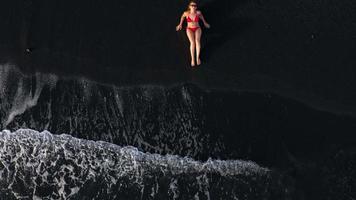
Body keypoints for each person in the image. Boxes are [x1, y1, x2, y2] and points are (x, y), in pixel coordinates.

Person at [176, 1, 210, 67]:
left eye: (195, 5)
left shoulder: (198, 13)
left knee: (197, 41)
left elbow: (202, 18)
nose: (194, 6)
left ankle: (197, 58)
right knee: (192, 42)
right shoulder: (186, 13)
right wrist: (180, 24)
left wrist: (205, 23)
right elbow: (182, 17)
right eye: (192, 5)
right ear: (189, 6)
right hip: (189, 29)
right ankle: (193, 59)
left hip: (197, 28)